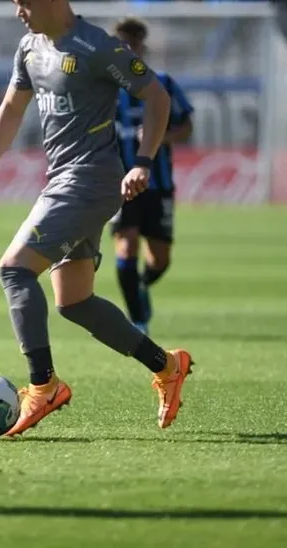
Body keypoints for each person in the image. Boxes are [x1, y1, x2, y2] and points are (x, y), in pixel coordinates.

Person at [0, 0, 194, 437]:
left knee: (13, 270)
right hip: (64, 179)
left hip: (89, 181)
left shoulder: (97, 47)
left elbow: (157, 96)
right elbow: (11, 109)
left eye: (25, 2)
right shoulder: (29, 48)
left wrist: (144, 160)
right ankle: (167, 365)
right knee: (74, 301)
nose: (19, 12)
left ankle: (43, 386)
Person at [108, 17, 194, 335]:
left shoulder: (164, 83)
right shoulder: (104, 88)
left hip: (158, 185)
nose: (129, 50)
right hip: (118, 185)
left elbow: (187, 126)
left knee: (160, 260)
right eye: (123, 45)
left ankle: (140, 285)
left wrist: (163, 137)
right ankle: (138, 321)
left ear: (142, 48)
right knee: (126, 245)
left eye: (134, 44)